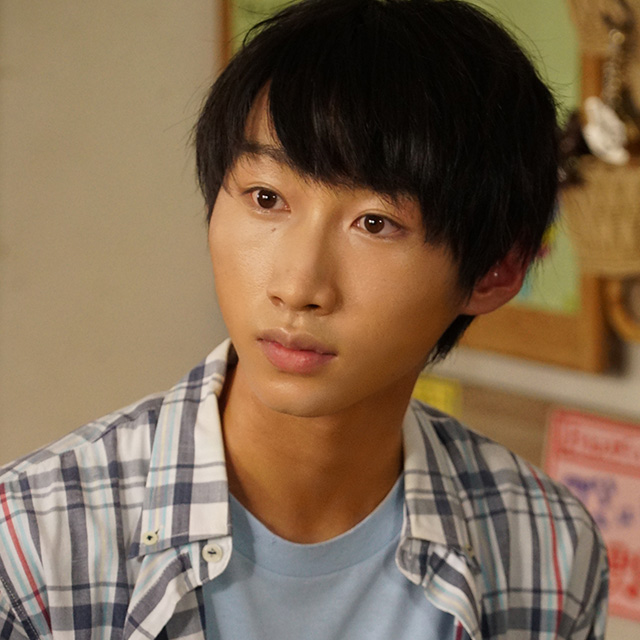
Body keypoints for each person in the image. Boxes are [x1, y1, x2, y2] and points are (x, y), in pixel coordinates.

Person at [0, 0, 608, 638]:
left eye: (376, 223)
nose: (298, 288)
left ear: (495, 271)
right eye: (266, 198)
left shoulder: (548, 550)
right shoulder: (30, 550)